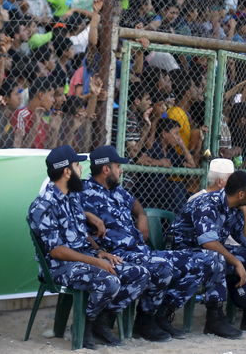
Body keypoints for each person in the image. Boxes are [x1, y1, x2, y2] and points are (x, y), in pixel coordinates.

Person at [27, 145, 150, 349]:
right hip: (59, 267)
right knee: (109, 280)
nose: (81, 169)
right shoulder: (43, 206)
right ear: (67, 171)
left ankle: (100, 322)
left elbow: (81, 235)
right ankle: (84, 326)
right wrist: (95, 261)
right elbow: (56, 251)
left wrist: (100, 252)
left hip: (84, 258)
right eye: (77, 165)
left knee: (139, 273)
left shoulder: (73, 197)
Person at [80, 145, 205, 343]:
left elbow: (135, 204)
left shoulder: (118, 190)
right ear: (106, 169)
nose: (121, 170)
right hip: (117, 254)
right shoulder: (82, 191)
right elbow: (69, 216)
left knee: (198, 262)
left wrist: (142, 216)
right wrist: (89, 217)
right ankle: (136, 321)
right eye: (117, 166)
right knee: (162, 267)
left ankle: (161, 314)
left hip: (140, 250)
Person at [170, 162, 246, 337]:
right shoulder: (207, 203)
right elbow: (207, 242)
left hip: (207, 252)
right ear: (241, 194)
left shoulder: (234, 208)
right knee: (217, 257)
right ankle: (215, 319)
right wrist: (235, 262)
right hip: (185, 252)